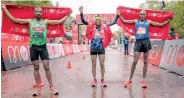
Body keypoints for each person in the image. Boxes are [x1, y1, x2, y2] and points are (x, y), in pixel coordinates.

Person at [2, 4, 72, 96]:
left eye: (40, 12)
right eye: (37, 11)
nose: (38, 13)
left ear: (42, 13)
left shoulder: (45, 21)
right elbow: (14, 20)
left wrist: (68, 15)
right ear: (34, 13)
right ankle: (38, 88)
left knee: (46, 67)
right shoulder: (30, 21)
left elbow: (59, 21)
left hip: (43, 47)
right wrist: (4, 9)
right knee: (36, 67)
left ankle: (51, 87)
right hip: (33, 47)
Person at [119, 10, 172, 88]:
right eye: (141, 14)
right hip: (138, 42)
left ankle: (143, 80)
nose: (142, 15)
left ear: (145, 15)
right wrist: (119, 15)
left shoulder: (149, 22)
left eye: (143, 14)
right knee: (135, 61)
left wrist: (169, 19)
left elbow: (161, 24)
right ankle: (130, 79)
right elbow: (124, 21)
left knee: (146, 61)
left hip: (146, 41)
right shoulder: (136, 21)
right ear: (139, 15)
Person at [79, 6, 119, 87]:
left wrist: (117, 15)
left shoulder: (104, 26)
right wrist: (81, 13)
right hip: (93, 48)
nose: (97, 21)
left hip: (101, 48)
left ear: (100, 21)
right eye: (96, 20)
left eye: (99, 20)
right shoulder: (91, 25)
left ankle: (102, 80)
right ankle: (94, 80)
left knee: (102, 64)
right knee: (93, 64)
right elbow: (83, 21)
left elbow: (113, 22)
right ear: (95, 20)